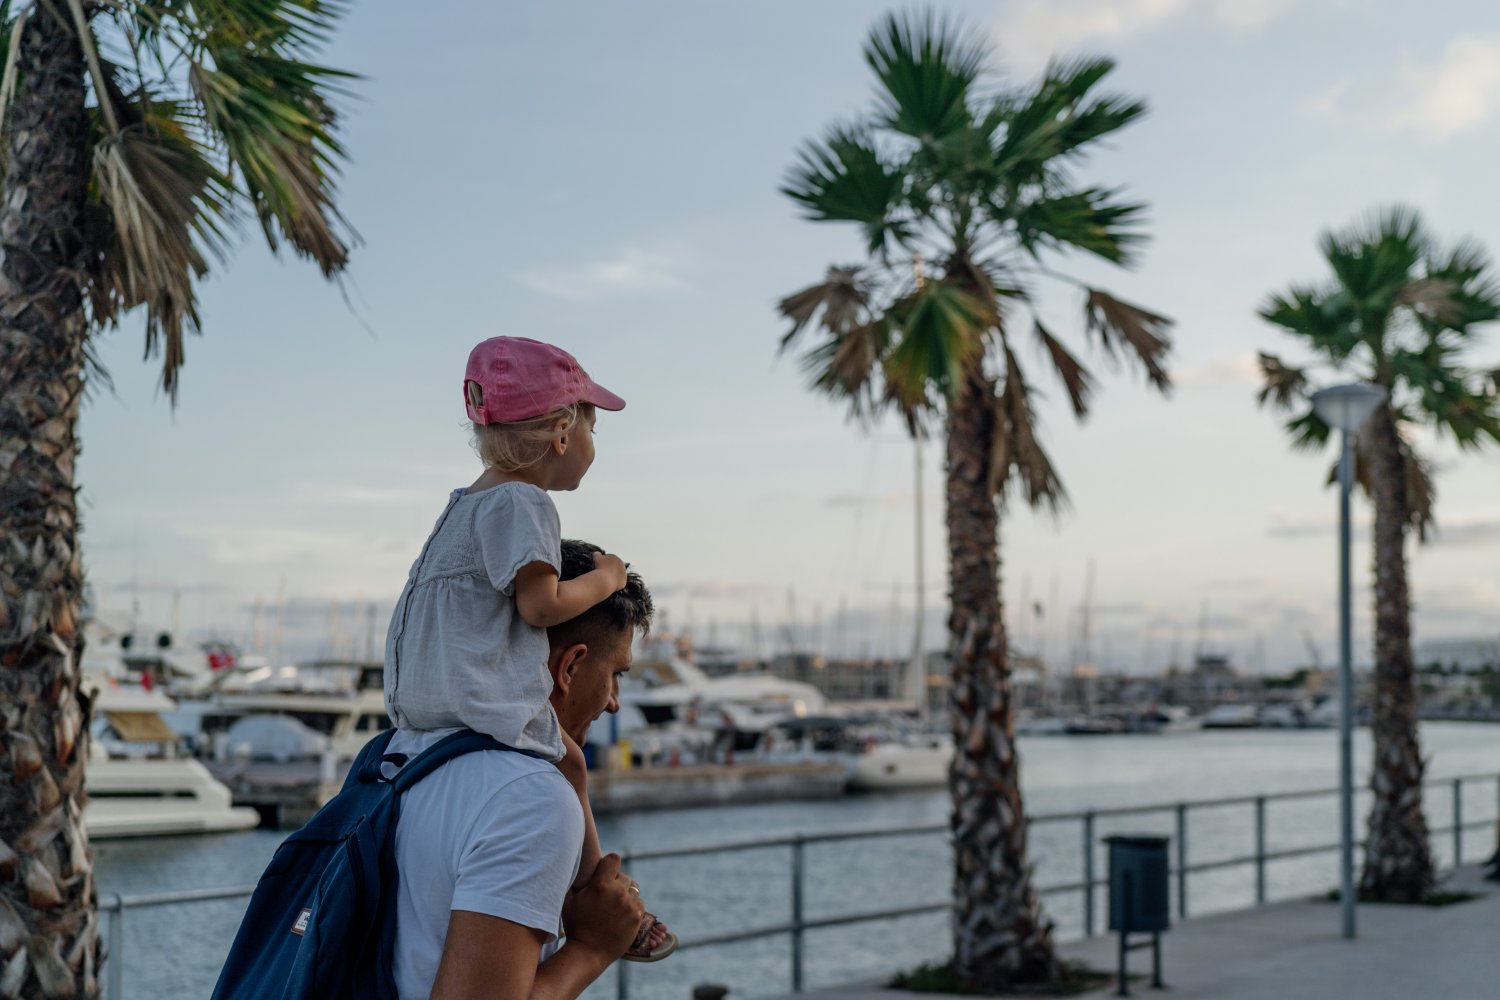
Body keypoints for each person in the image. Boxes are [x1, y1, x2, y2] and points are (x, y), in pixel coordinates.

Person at [383, 336, 670, 961]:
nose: (595, 445)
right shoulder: (524, 501)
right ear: (562, 433)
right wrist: (608, 577)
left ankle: (582, 898)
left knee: (568, 762)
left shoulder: (461, 505)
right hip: (482, 704)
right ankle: (599, 905)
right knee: (569, 768)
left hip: (426, 717)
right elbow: (540, 606)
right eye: (594, 427)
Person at [388, 539, 657, 1000]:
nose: (614, 702)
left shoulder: (402, 753)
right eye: (616, 674)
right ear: (569, 667)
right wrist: (593, 948)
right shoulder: (529, 798)